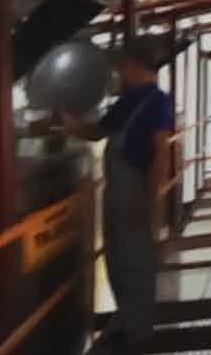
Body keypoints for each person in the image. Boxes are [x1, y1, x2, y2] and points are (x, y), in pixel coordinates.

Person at [61, 39, 176, 326]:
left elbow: (161, 153)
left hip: (135, 187)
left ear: (136, 65)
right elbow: (97, 132)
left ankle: (138, 328)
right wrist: (68, 123)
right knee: (116, 255)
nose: (120, 72)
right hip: (117, 187)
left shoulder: (157, 101)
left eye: (123, 65)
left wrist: (151, 200)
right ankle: (127, 318)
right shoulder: (127, 101)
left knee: (134, 258)